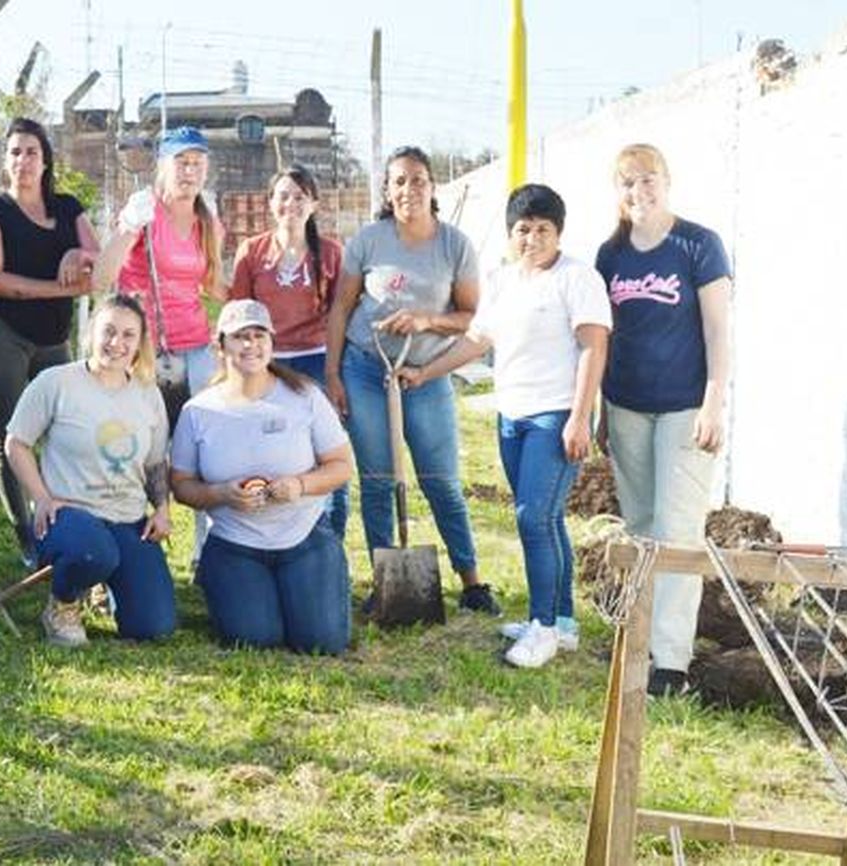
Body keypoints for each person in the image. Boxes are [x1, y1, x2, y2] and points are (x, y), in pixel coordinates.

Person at [400, 184, 610, 667]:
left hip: (555, 415)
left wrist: (579, 417)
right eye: (523, 229)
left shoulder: (577, 279)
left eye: (543, 230)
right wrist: (425, 372)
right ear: (511, 233)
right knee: (548, 518)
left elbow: (592, 347)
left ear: (559, 232)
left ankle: (541, 628)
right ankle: (563, 622)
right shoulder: (502, 280)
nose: (532, 239)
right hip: (511, 414)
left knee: (532, 518)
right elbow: (477, 339)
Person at [325, 145, 500, 615]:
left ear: (432, 187)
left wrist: (426, 321)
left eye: (418, 179)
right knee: (378, 479)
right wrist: (333, 376)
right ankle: (386, 581)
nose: (409, 189)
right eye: (399, 181)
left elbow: (468, 317)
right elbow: (341, 308)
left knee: (440, 479)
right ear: (387, 190)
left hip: (423, 376)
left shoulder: (453, 245)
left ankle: (473, 581)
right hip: (366, 368)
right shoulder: (368, 240)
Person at [595, 143, 733, 696]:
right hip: (627, 404)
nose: (639, 191)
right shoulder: (611, 254)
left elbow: (718, 330)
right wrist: (603, 409)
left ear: (667, 180)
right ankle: (642, 640)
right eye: (627, 182)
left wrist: (714, 401)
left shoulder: (698, 245)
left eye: (648, 179)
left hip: (683, 408)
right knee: (642, 525)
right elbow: (603, 336)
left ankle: (671, 664)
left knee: (677, 530)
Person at [171, 300, 353, 654]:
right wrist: (221, 494)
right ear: (220, 346)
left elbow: (341, 466)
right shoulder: (199, 412)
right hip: (235, 544)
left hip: (303, 536)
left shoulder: (305, 396)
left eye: (259, 336)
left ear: (272, 342)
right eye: (240, 337)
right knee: (254, 640)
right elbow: (181, 485)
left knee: (322, 643)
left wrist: (300, 485)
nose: (251, 345)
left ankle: (303, 591)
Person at [5, 295, 176, 647]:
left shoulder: (148, 394)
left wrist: (161, 509)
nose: (117, 343)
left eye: (129, 335)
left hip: (128, 518)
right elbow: (16, 443)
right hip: (69, 514)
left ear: (139, 344)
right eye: (108, 331)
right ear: (90, 332)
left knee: (154, 626)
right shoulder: (56, 383)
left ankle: (102, 585)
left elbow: (155, 461)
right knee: (93, 551)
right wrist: (42, 498)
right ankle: (62, 605)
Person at [0, 117, 100, 568]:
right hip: (3, 333)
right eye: (15, 152)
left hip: (53, 338)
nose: (23, 160)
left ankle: (61, 517)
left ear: (45, 161)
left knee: (64, 430)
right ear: (5, 162)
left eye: (31, 152)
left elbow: (96, 263)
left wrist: (77, 254)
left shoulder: (67, 207)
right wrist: (63, 288)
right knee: (10, 433)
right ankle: (26, 534)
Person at [230, 164, 349, 538]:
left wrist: (333, 372)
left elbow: (339, 314)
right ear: (270, 203)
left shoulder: (330, 252)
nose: (291, 203)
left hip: (316, 359)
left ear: (314, 203)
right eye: (283, 195)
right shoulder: (252, 252)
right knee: (270, 445)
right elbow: (238, 313)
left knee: (325, 451)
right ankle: (267, 530)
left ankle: (330, 536)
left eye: (300, 196)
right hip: (267, 362)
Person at [93, 125, 226, 426]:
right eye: (181, 162)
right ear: (163, 166)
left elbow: (213, 285)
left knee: (200, 434)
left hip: (197, 346)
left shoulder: (209, 222)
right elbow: (101, 279)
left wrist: (240, 314)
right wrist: (128, 226)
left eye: (197, 163)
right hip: (144, 346)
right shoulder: (144, 211)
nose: (189, 171)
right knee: (146, 436)